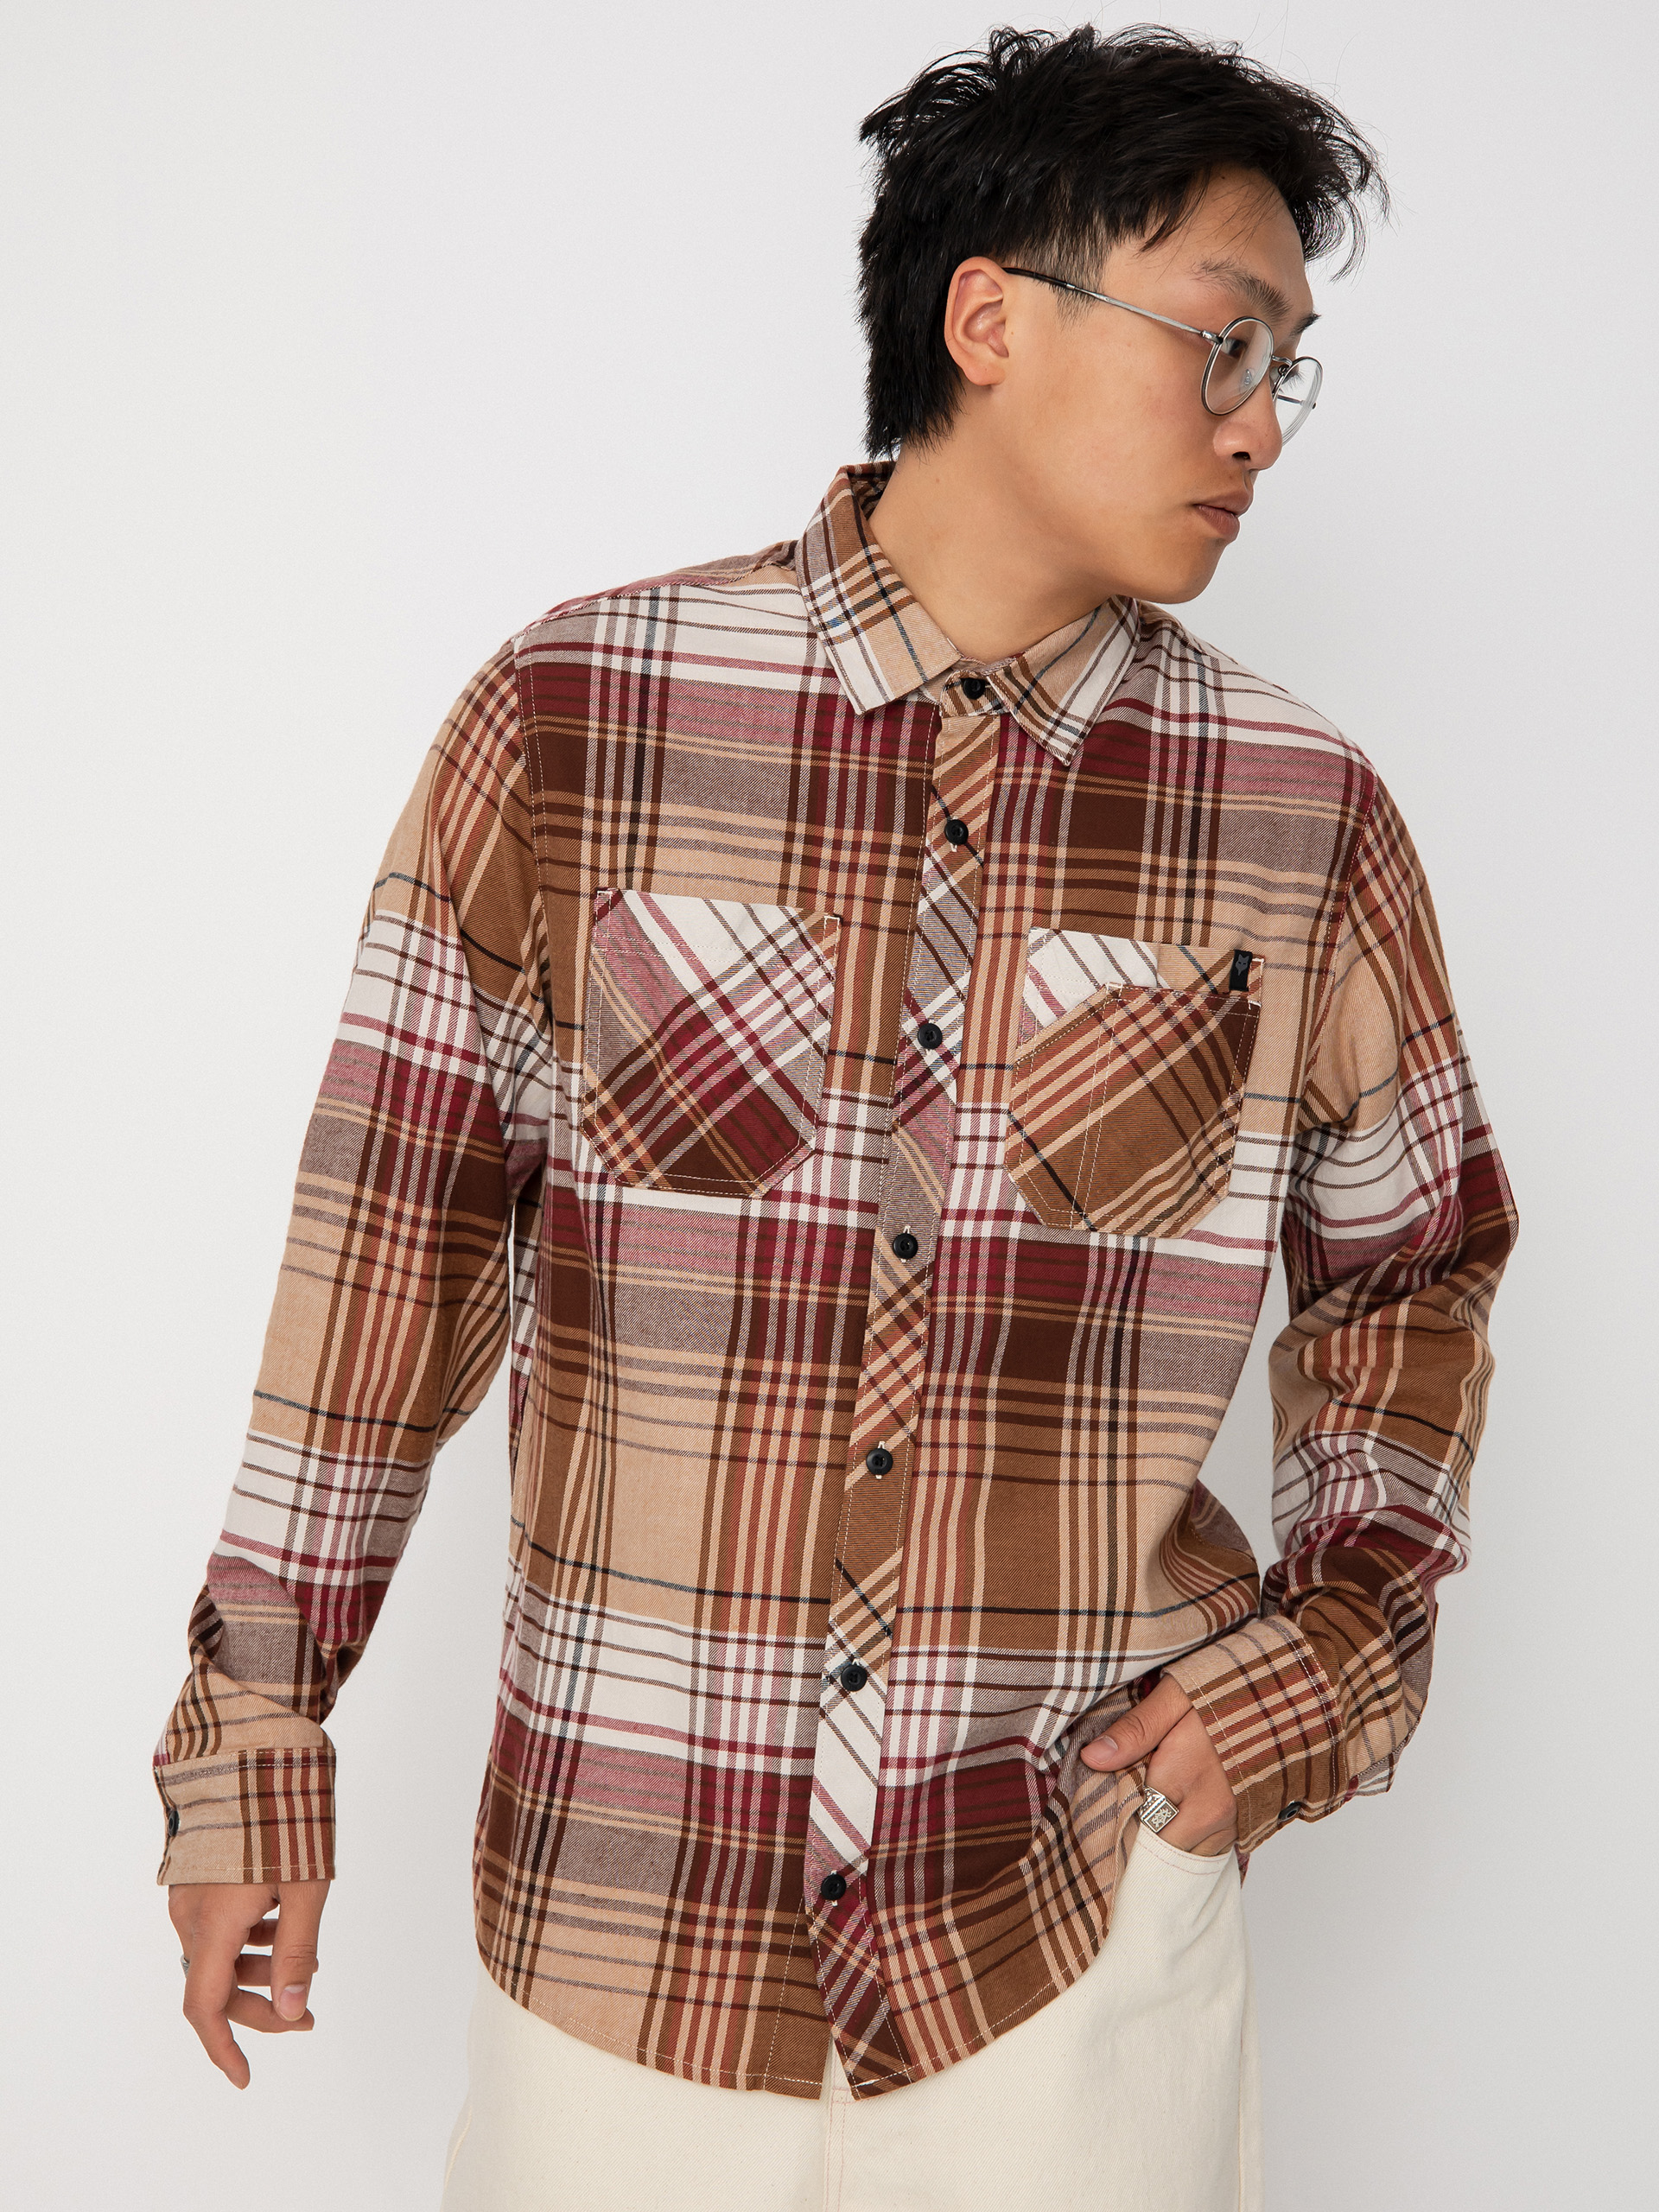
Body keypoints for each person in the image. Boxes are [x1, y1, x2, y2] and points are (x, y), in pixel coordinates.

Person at [156, 24, 1517, 2209]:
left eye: (1289, 368)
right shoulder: (582, 718)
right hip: (621, 1918)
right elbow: (388, 1249)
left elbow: (1415, 1268)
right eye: (1223, 340)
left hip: (1074, 1922)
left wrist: (1327, 1661)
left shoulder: (1303, 815)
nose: (1262, 423)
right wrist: (256, 1731)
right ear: (989, 317)